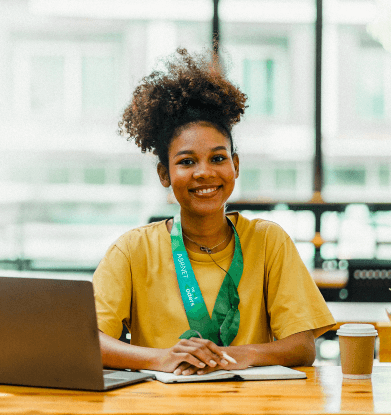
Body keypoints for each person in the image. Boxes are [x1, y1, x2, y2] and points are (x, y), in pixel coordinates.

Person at [93, 48, 335, 376]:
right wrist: (159, 358)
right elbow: (89, 339)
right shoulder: (133, 250)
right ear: (164, 174)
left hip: (250, 404)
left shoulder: (268, 241)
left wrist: (241, 355)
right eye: (187, 161)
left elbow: (303, 346)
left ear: (235, 166)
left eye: (218, 158)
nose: (204, 173)